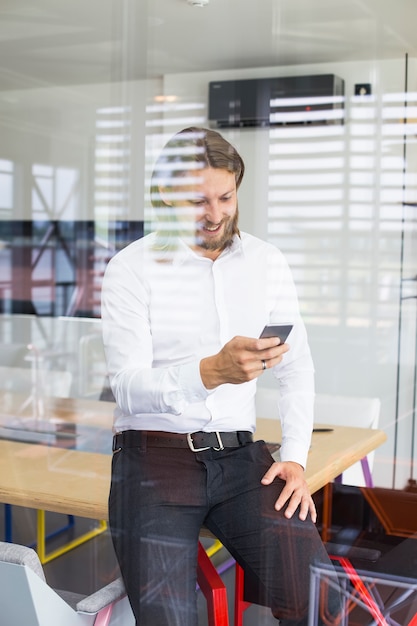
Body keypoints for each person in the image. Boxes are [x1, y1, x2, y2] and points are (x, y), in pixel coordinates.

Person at [101, 126, 341, 625]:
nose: (214, 214)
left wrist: (295, 458)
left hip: (241, 460)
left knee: (321, 600)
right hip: (154, 461)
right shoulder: (131, 268)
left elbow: (296, 368)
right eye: (196, 200)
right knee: (170, 620)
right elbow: (126, 385)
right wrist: (207, 372)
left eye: (225, 197)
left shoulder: (267, 262)